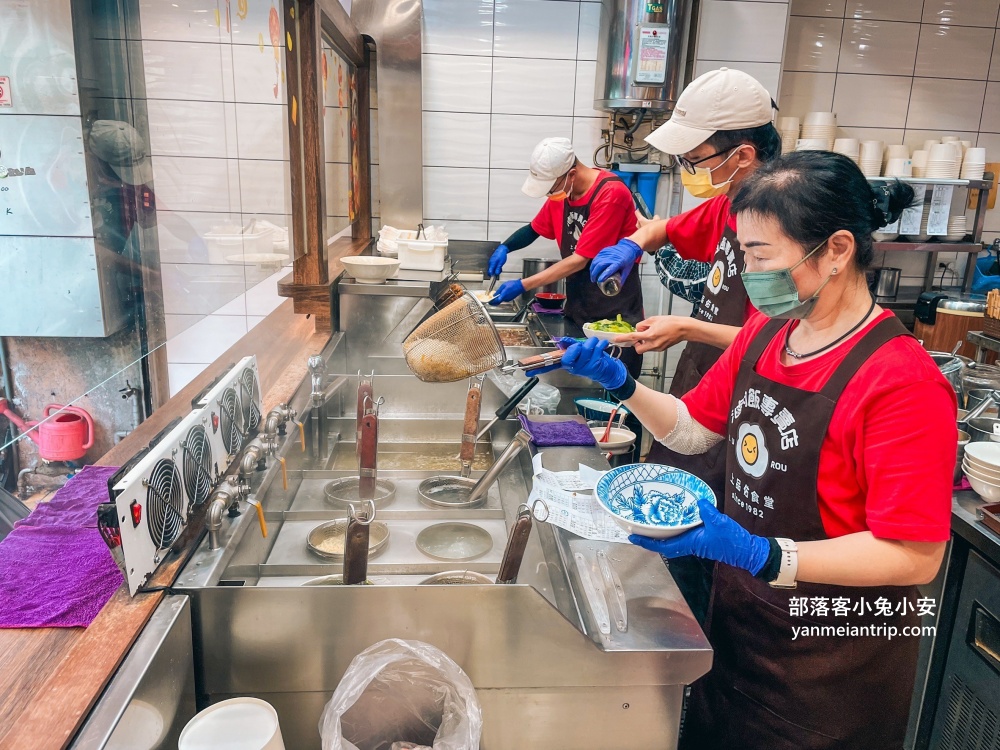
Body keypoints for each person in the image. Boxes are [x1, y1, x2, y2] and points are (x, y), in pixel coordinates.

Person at [553, 151, 956, 749]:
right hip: (742, 623)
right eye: (743, 255)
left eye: (761, 256)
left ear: (837, 250)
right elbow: (692, 430)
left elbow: (914, 556)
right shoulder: (768, 334)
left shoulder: (901, 381)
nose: (748, 272)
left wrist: (764, 554)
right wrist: (625, 386)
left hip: (827, 667)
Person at [588, 67, 782, 621]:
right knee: (672, 519)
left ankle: (694, 647)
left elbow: (787, 338)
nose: (688, 171)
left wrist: (687, 327)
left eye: (694, 159)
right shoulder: (730, 203)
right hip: (700, 389)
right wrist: (631, 243)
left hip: (750, 404)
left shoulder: (779, 219)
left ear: (741, 154)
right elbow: (664, 229)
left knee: (710, 541)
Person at [487, 137, 644, 376]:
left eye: (551, 187)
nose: (549, 194)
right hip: (580, 302)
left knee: (613, 385)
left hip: (614, 304)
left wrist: (523, 284)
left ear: (571, 174)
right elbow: (534, 229)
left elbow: (580, 259)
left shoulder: (610, 194)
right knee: (581, 376)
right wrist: (505, 247)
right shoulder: (562, 195)